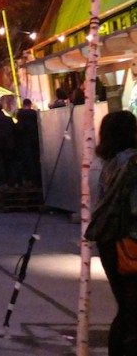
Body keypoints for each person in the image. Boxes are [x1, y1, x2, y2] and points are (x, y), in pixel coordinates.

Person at [86, 111, 137, 356]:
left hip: (109, 242)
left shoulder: (101, 163)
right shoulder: (131, 162)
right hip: (129, 241)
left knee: (126, 308)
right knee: (132, 310)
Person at [15, 99, 41, 187]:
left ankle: (28, 180)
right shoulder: (35, 115)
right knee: (36, 160)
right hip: (35, 141)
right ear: (30, 104)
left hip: (24, 143)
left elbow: (18, 129)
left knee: (27, 161)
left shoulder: (20, 115)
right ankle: (37, 180)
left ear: (23, 104)